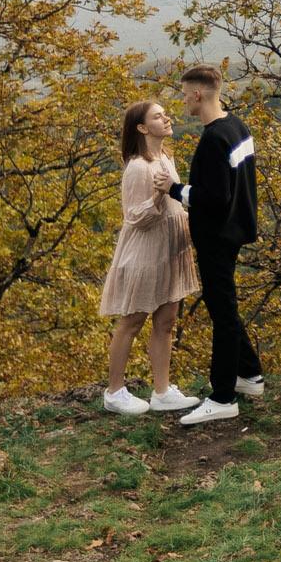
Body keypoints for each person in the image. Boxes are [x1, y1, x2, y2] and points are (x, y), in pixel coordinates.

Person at [97, 99, 202, 416]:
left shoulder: (166, 157)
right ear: (142, 128)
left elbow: (177, 201)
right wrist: (160, 193)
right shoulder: (137, 167)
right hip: (145, 253)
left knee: (166, 322)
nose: (167, 118)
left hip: (170, 250)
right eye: (158, 116)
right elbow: (135, 217)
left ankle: (162, 391)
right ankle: (114, 392)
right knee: (132, 321)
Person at [171, 63, 262, 425]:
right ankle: (250, 375)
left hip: (217, 235)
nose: (181, 101)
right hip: (237, 229)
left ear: (197, 94)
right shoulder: (237, 126)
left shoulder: (212, 138)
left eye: (183, 94)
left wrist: (174, 190)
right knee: (222, 304)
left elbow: (214, 196)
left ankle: (223, 396)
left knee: (222, 314)